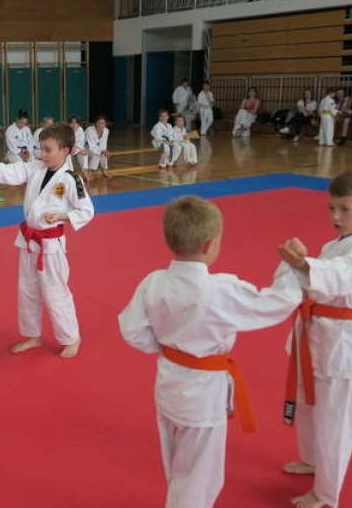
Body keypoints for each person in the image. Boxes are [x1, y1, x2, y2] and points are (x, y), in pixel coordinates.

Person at [118, 195, 301, 508]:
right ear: (209, 244)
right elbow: (275, 304)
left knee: (178, 466)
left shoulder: (154, 282)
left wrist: (165, 348)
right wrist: (291, 268)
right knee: (200, 475)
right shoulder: (219, 289)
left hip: (168, 385)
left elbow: (131, 328)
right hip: (202, 397)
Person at [278, 170, 352, 508]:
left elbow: (336, 278)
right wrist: (300, 261)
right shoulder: (334, 245)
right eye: (332, 209)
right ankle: (313, 461)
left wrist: (304, 263)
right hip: (316, 336)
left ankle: (326, 494)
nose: (336, 217)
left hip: (341, 344)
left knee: (335, 421)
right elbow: (314, 282)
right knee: (310, 407)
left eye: (345, 210)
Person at [0, 123, 94, 359]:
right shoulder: (36, 167)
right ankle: (32, 335)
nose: (42, 154)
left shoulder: (70, 179)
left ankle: (71, 337)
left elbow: (86, 211)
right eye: (41, 149)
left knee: (55, 291)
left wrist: (62, 215)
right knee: (27, 290)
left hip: (51, 246)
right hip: (28, 241)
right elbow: (10, 173)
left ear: (66, 150)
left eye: (48, 150)